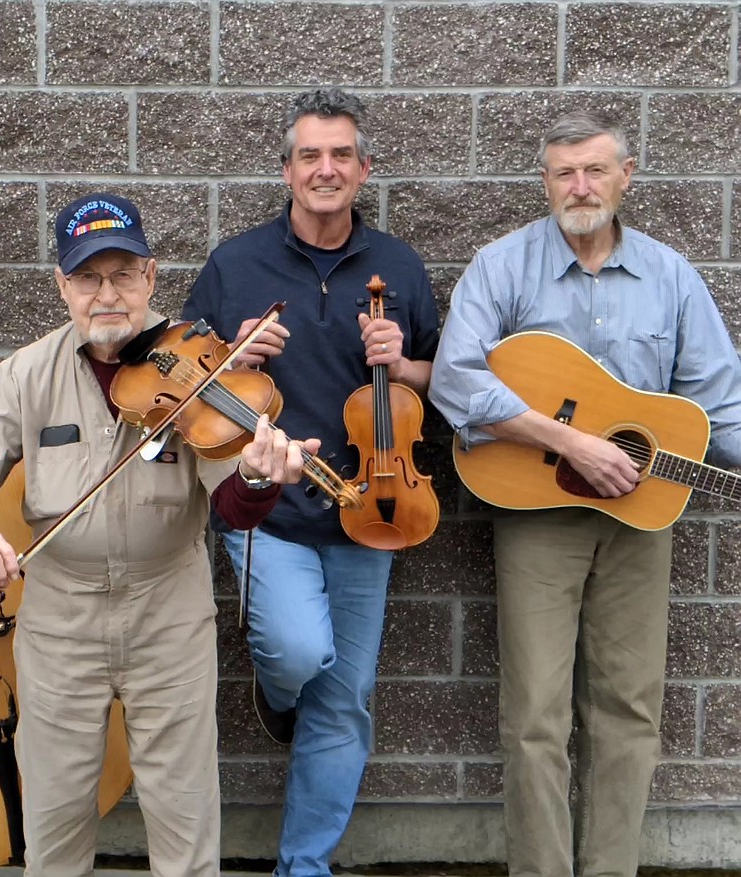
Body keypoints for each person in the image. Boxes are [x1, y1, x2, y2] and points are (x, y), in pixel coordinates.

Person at [0, 191, 317, 877]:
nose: (107, 294)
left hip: (168, 612)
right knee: (54, 819)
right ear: (62, 285)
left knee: (185, 816)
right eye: (89, 277)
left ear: (151, 277)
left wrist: (257, 476)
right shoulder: (27, 373)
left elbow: (236, 508)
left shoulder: (202, 368)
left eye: (123, 274)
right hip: (60, 619)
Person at [428, 110, 741, 877]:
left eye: (595, 169)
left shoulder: (670, 276)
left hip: (640, 518)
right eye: (564, 172)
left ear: (625, 176)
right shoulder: (502, 266)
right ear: (544, 182)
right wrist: (570, 442)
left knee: (629, 711)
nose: (580, 185)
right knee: (535, 714)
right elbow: (454, 376)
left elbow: (719, 404)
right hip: (536, 516)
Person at [181, 88, 441, 876]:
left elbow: (446, 383)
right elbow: (185, 381)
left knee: (345, 698)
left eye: (340, 156)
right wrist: (235, 350)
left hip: (374, 508)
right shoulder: (236, 262)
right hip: (268, 508)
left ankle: (304, 865)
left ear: (365, 169)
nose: (324, 170)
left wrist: (403, 362)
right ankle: (278, 688)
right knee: (299, 653)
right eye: (308, 156)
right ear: (286, 170)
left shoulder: (398, 266)